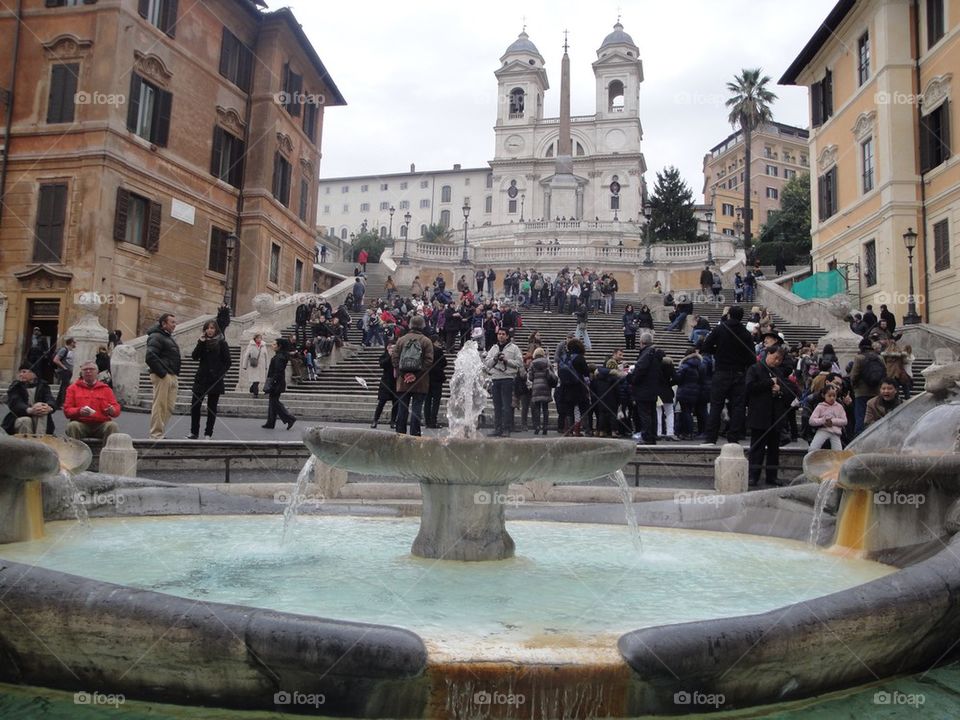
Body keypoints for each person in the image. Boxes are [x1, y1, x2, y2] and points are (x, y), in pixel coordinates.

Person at [701, 306, 756, 445]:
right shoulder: (745, 333)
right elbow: (752, 358)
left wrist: (718, 352)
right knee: (738, 407)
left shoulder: (720, 329)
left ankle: (711, 438)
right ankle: (733, 437)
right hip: (739, 373)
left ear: (729, 315)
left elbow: (705, 347)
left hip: (721, 371)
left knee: (716, 405)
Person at [744, 346, 798, 487]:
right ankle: (753, 476)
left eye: (780, 360)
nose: (777, 361)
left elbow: (788, 390)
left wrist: (779, 390)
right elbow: (750, 387)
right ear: (768, 354)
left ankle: (772, 476)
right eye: (775, 358)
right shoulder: (754, 369)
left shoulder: (778, 371)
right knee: (757, 448)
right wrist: (769, 383)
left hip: (775, 416)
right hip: (760, 414)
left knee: (774, 449)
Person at [187, 320, 232, 440]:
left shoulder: (222, 343)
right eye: (207, 328)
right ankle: (194, 432)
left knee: (211, 408)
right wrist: (201, 342)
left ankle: (208, 433)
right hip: (201, 378)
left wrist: (219, 374)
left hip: (215, 380)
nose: (209, 330)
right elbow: (194, 356)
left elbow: (228, 362)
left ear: (216, 329)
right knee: (195, 406)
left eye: (212, 328)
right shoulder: (202, 342)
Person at [391, 315, 434, 436]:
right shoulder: (426, 341)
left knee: (402, 408)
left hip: (403, 381)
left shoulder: (401, 340)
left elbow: (394, 359)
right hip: (420, 382)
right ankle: (415, 434)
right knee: (416, 409)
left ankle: (400, 434)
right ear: (423, 326)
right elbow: (429, 361)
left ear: (410, 325)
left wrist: (403, 375)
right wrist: (416, 375)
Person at [63, 361, 121, 440]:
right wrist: (79, 411)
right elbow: (67, 410)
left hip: (101, 424)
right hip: (80, 423)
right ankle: (75, 448)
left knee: (112, 426)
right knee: (72, 426)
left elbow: (116, 408)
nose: (88, 371)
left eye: (91, 369)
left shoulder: (106, 389)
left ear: (97, 372)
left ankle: (107, 448)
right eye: (85, 369)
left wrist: (112, 410)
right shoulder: (72, 388)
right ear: (81, 373)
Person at [145, 314, 180, 439]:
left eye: (175, 322)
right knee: (160, 405)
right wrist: (163, 373)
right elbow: (150, 356)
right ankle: (156, 434)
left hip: (172, 375)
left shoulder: (168, 337)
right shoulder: (156, 336)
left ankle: (160, 432)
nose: (174, 325)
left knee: (169, 407)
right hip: (162, 376)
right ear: (164, 324)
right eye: (172, 322)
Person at [484, 327, 523, 437]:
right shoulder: (493, 348)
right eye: (499, 334)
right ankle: (497, 428)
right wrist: (495, 359)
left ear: (507, 336)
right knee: (497, 406)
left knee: (506, 406)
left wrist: (507, 361)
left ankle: (506, 428)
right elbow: (487, 363)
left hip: (508, 379)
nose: (501, 336)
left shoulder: (514, 348)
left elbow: (519, 363)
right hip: (495, 379)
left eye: (503, 334)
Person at [3, 362, 55, 435]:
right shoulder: (15, 386)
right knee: (26, 420)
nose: (21, 374)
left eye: (24, 372)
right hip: (19, 417)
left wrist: (49, 407)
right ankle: (27, 442)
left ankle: (39, 438)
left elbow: (49, 398)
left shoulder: (43, 385)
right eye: (20, 372)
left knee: (42, 410)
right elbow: (15, 403)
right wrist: (29, 410)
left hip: (39, 416)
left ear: (34, 374)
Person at [630, 333, 663, 444]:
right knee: (652, 413)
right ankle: (652, 436)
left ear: (641, 342)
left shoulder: (646, 354)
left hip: (643, 389)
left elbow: (640, 370)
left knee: (645, 414)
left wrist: (631, 378)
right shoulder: (655, 354)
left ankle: (647, 437)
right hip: (652, 389)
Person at [849, 337, 884, 436]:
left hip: (861, 391)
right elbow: (885, 372)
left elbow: (854, 375)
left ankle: (859, 436)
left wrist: (854, 386)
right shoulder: (879, 357)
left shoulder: (859, 358)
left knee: (860, 416)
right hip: (876, 391)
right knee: (875, 414)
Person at [261, 339, 296, 430]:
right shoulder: (280, 355)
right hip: (277, 382)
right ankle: (270, 422)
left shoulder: (279, 357)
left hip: (277, 382)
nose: (272, 345)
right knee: (272, 402)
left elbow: (278, 371)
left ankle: (289, 418)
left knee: (274, 402)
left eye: (274, 344)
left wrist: (273, 382)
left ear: (279, 346)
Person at [807, 385, 847, 451]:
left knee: (838, 451)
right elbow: (811, 421)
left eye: (834, 396)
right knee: (813, 448)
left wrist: (832, 421)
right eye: (829, 396)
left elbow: (844, 421)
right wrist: (823, 420)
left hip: (835, 432)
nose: (832, 398)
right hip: (823, 430)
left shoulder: (839, 407)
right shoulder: (820, 406)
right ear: (824, 395)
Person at [527, 347, 556, 435]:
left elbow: (530, 377)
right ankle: (545, 427)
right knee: (545, 408)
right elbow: (552, 374)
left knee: (537, 408)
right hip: (546, 387)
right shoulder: (547, 362)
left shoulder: (532, 363)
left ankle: (537, 426)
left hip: (536, 387)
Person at [371, 341, 399, 429]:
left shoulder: (398, 356)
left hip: (396, 382)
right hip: (386, 382)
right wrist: (389, 356)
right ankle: (375, 420)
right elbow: (382, 364)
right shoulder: (384, 356)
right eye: (390, 347)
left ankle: (393, 421)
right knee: (381, 402)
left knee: (396, 403)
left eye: (394, 348)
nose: (392, 349)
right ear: (387, 348)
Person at [425, 336, 447, 429]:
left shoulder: (426, 350)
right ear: (435, 342)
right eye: (439, 342)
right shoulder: (438, 351)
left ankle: (427, 421)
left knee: (427, 400)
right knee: (436, 401)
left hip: (427, 378)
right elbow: (444, 363)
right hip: (437, 379)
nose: (440, 344)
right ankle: (433, 421)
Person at [52, 336, 76, 409]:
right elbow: (56, 360)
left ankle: (58, 404)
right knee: (65, 387)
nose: (75, 343)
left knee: (63, 387)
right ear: (71, 343)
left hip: (68, 371)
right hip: (64, 371)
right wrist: (64, 367)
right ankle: (62, 403)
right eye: (74, 342)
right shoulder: (64, 350)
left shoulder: (69, 350)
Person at [242, 333, 268, 398]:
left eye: (260, 338)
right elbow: (246, 355)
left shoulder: (263, 345)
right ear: (255, 338)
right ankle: (255, 393)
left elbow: (266, 356)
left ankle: (252, 388)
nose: (259, 339)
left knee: (258, 380)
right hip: (254, 365)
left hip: (261, 365)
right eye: (258, 338)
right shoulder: (251, 345)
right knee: (255, 379)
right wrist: (244, 365)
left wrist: (266, 366)